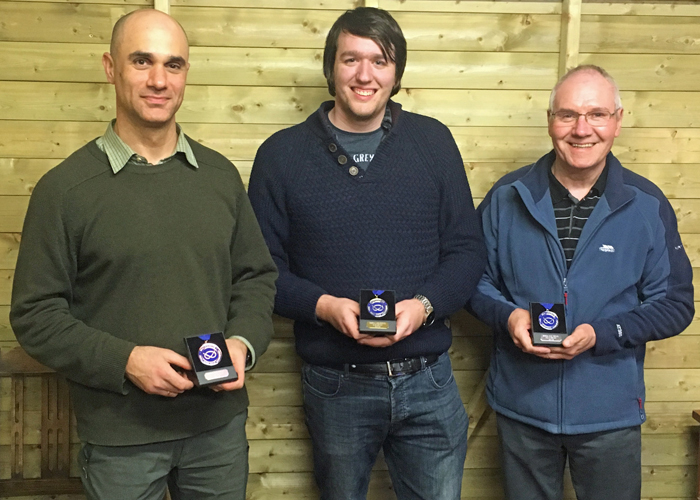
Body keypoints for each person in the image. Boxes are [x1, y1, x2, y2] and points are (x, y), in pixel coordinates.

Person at [10, 9, 277, 500]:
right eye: (142, 61)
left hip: (217, 432)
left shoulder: (219, 178)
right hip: (120, 441)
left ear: (186, 74)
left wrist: (242, 342)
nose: (159, 80)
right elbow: (34, 315)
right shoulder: (64, 191)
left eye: (173, 65)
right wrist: (125, 360)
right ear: (111, 68)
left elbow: (256, 278)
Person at [247, 7, 486, 500]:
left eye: (380, 60)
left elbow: (466, 251)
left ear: (396, 73)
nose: (364, 74)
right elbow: (262, 270)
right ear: (330, 67)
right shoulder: (281, 155)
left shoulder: (434, 142)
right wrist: (325, 308)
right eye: (350, 59)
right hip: (336, 385)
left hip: (429, 382)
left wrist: (422, 308)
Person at [468, 65, 694, 500]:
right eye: (567, 114)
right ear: (550, 119)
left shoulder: (647, 205)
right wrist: (509, 316)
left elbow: (676, 304)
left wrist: (601, 334)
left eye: (597, 114)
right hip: (522, 410)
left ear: (618, 120)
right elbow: (472, 280)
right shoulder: (506, 196)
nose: (581, 129)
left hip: (610, 415)